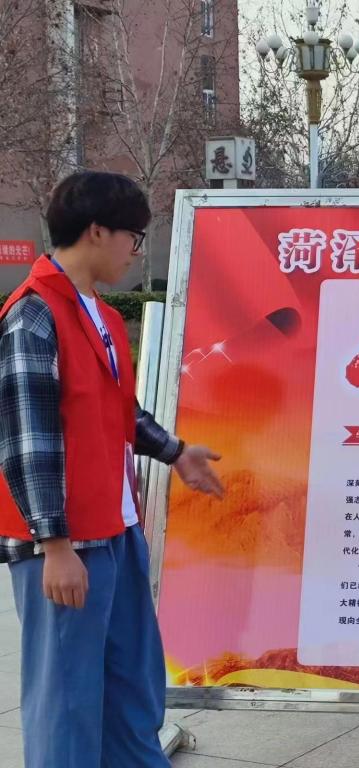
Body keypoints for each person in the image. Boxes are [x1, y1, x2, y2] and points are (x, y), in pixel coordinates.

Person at [0, 171, 223, 767]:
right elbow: (26, 440)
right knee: (67, 701)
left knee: (132, 688)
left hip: (116, 530)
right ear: (97, 231)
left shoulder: (96, 312)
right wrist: (53, 544)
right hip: (67, 543)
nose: (137, 250)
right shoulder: (33, 315)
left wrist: (175, 451)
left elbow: (118, 409)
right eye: (134, 236)